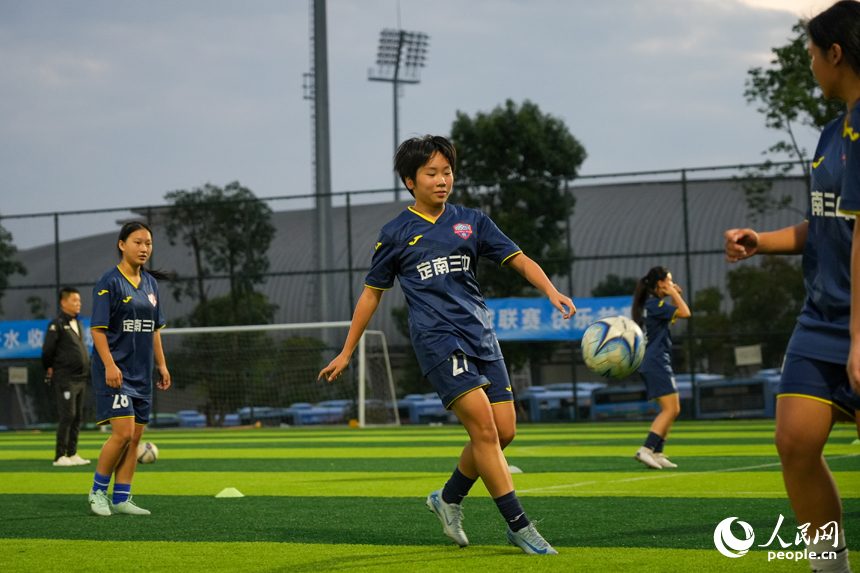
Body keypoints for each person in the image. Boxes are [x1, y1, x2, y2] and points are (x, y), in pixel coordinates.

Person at [318, 135, 575, 555]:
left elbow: (520, 258)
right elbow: (371, 294)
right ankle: (519, 526)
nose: (442, 180)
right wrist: (347, 350)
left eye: (447, 171)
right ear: (409, 181)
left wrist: (551, 290)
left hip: (481, 337)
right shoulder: (396, 234)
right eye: (432, 173)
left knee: (504, 432)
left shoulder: (471, 221)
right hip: (438, 343)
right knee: (485, 431)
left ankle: (448, 497)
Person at [726, 4, 860, 570]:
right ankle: (828, 567)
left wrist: (859, 337)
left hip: (856, 326)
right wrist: (765, 241)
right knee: (795, 443)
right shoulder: (834, 130)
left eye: (810, 53)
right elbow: (830, 222)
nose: (808, 63)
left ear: (835, 54)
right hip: (821, 321)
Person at [87, 221, 171, 517]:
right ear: (122, 244)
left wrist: (161, 365)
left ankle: (122, 497)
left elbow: (154, 329)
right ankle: (97, 492)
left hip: (141, 372)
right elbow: (97, 330)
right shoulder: (109, 282)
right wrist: (109, 365)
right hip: (115, 373)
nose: (144, 248)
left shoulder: (150, 283)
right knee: (122, 434)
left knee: (135, 438)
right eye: (138, 242)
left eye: (148, 243)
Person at [630, 266, 690, 470]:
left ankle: (657, 452)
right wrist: (674, 293)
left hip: (655, 361)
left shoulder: (654, 304)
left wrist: (672, 294)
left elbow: (674, 314)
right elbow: (685, 312)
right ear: (660, 283)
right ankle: (646, 449)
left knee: (673, 409)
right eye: (669, 281)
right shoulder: (655, 304)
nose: (672, 284)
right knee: (671, 409)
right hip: (656, 361)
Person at [42, 286, 92, 467]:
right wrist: (49, 367)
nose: (78, 303)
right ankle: (59, 456)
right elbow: (48, 350)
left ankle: (72, 453)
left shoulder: (77, 323)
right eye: (74, 300)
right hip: (66, 378)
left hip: (80, 378)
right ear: (64, 302)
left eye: (79, 300)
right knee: (67, 415)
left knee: (77, 416)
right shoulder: (56, 324)